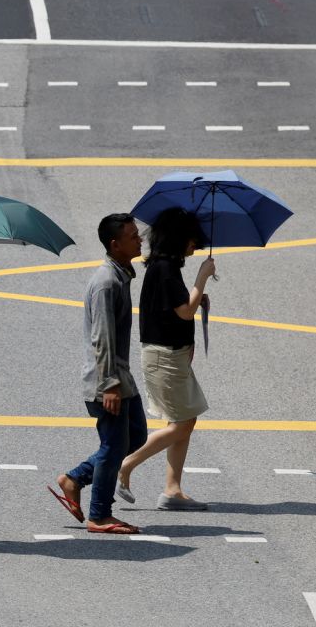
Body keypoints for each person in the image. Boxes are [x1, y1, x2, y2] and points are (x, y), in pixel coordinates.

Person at [49, 214, 148, 534]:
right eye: (134, 236)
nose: (140, 240)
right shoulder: (107, 282)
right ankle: (99, 515)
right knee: (113, 447)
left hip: (120, 377)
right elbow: (101, 337)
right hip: (107, 381)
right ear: (115, 245)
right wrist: (110, 385)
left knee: (136, 437)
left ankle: (74, 479)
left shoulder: (120, 275)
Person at [116, 208, 216, 511]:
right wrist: (202, 277)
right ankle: (126, 465)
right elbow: (184, 310)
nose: (195, 245)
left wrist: (198, 295)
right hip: (165, 358)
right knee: (183, 423)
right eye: (191, 238)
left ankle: (172, 489)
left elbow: (178, 307)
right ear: (178, 239)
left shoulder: (164, 267)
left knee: (184, 419)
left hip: (171, 356)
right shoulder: (165, 269)